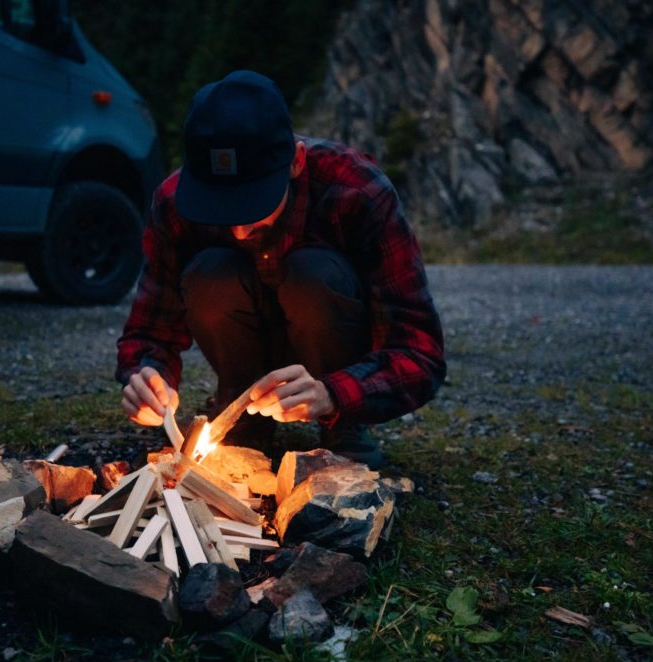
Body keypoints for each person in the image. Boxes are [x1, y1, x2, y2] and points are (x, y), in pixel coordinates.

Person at [115, 70, 445, 467]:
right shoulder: (174, 202)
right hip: (240, 357)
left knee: (313, 273)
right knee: (210, 272)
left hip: (331, 356)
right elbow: (151, 328)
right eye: (219, 206)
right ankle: (240, 410)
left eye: (252, 204)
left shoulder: (356, 192)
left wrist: (335, 394)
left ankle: (342, 426)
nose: (237, 229)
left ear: (296, 161)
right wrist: (148, 373)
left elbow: (420, 351)